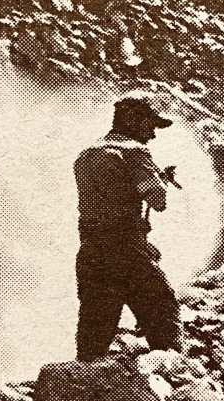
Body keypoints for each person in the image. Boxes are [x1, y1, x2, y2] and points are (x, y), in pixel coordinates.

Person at [74, 91, 180, 360]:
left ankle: (84, 386)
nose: (153, 135)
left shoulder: (85, 155)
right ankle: (168, 376)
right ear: (134, 120)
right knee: (162, 310)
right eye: (151, 125)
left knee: (94, 328)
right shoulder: (134, 152)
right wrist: (158, 178)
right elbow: (158, 201)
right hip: (127, 251)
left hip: (91, 251)